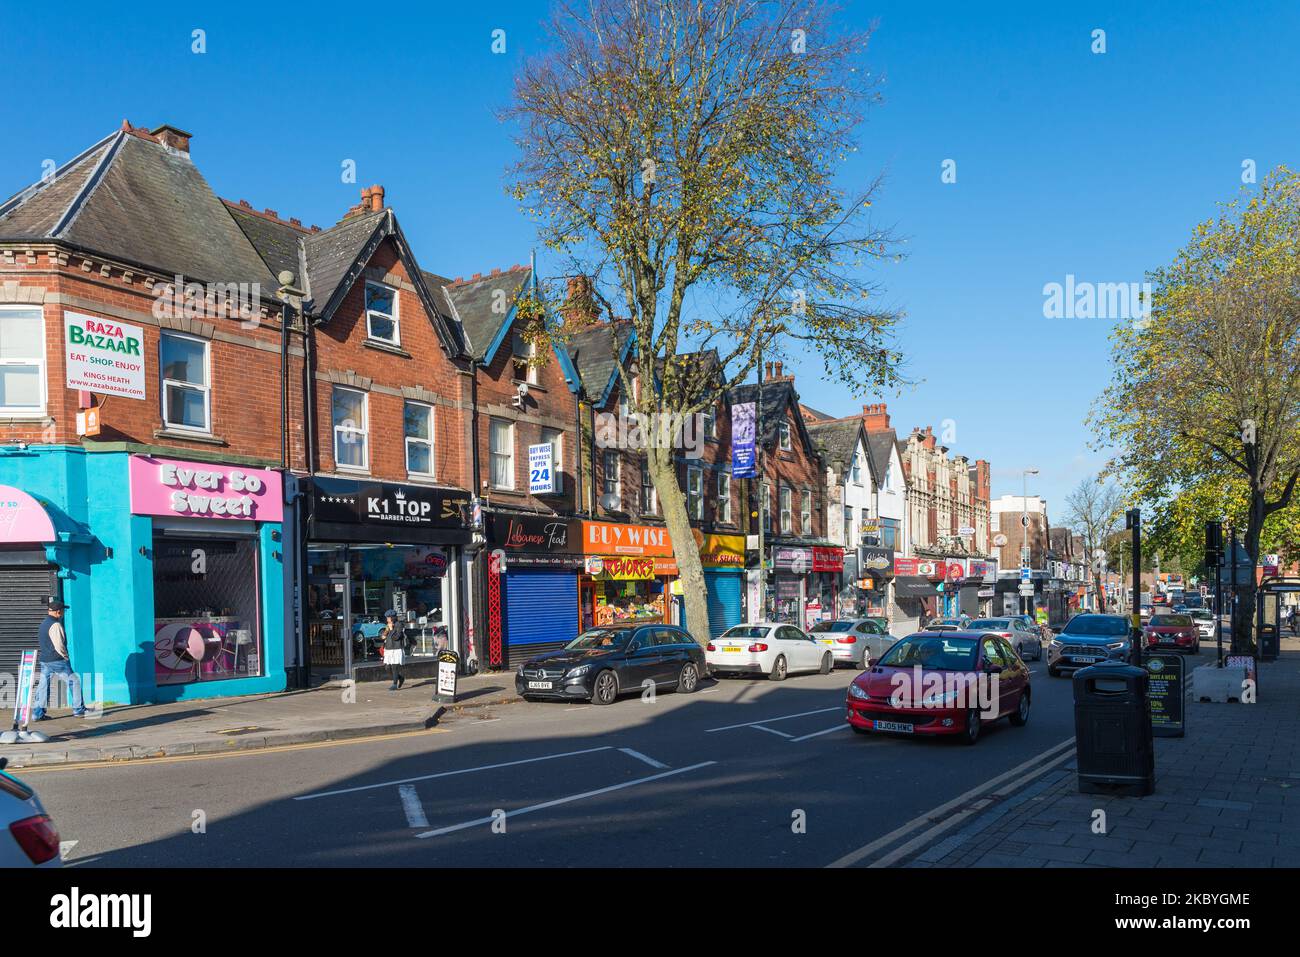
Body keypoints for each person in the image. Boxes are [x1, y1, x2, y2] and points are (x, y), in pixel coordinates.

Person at [32, 599, 85, 721]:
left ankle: (37, 713)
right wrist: (65, 657)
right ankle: (79, 710)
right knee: (74, 681)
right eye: (63, 611)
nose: (64, 613)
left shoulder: (44, 623)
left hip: (45, 660)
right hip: (57, 660)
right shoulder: (55, 625)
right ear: (58, 612)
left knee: (43, 686)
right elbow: (59, 645)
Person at [382, 610, 405, 691]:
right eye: (387, 617)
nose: (387, 619)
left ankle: (394, 684)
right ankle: (400, 677)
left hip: (396, 648)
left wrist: (391, 629)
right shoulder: (388, 625)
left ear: (392, 617)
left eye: (388, 617)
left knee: (394, 667)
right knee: (387, 667)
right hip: (388, 648)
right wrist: (386, 632)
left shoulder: (399, 625)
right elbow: (383, 637)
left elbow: (396, 637)